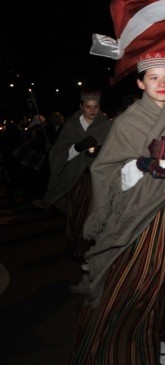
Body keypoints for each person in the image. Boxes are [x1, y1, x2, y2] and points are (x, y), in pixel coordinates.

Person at [69, 52, 165, 365]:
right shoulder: (127, 122)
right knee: (137, 293)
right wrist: (142, 166)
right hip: (141, 220)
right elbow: (108, 171)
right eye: (154, 77)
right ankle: (124, 350)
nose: (162, 83)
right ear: (140, 82)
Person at [34, 91, 112, 261]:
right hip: (76, 178)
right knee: (76, 215)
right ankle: (78, 249)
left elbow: (114, 151)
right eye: (88, 107)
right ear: (81, 107)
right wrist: (78, 148)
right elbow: (58, 153)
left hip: (97, 179)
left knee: (96, 215)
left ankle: (95, 250)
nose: (92, 110)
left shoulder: (106, 125)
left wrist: (99, 152)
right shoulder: (71, 126)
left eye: (96, 106)